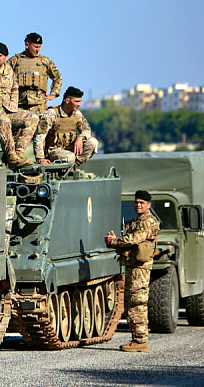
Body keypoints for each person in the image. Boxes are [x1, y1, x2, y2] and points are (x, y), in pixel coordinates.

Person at [105, 190, 160, 352]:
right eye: (136, 202)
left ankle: (141, 340)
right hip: (132, 266)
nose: (138, 205)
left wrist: (115, 241)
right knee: (130, 303)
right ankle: (136, 338)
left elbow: (135, 238)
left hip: (140, 269)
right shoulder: (135, 222)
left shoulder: (149, 222)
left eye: (141, 202)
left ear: (149, 205)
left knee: (137, 302)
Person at [34, 86, 98, 166]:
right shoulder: (51, 114)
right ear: (67, 100)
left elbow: (87, 130)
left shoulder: (77, 114)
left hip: (70, 149)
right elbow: (40, 136)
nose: (79, 104)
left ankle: (74, 166)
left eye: (80, 101)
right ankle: (71, 164)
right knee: (70, 157)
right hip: (54, 151)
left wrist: (80, 137)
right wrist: (40, 157)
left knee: (93, 142)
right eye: (77, 101)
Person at [7, 32, 62, 114]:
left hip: (38, 106)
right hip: (19, 104)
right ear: (27, 45)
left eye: (39, 47)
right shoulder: (15, 61)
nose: (38, 50)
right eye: (35, 47)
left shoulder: (44, 61)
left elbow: (58, 78)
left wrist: (53, 94)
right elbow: (3, 77)